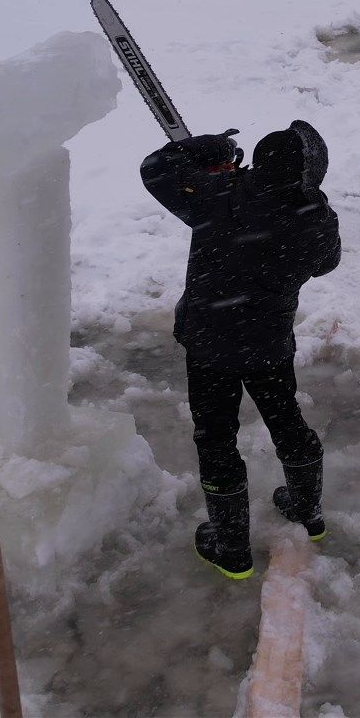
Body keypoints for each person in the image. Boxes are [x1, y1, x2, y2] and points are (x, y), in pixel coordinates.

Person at [140, 120, 341, 580]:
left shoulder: (217, 193)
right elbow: (326, 262)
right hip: (267, 342)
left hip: (210, 343)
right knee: (286, 419)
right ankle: (308, 513)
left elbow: (156, 168)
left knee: (215, 438)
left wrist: (211, 150)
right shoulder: (315, 217)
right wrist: (308, 204)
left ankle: (231, 546)